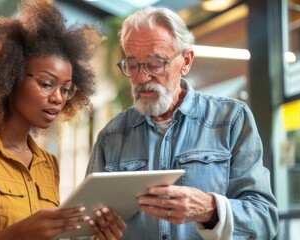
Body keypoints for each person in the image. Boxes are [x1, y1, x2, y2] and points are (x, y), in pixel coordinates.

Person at [0, 1, 125, 239]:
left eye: (66, 89)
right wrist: (16, 235)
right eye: (46, 84)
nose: (58, 98)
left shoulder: (48, 164)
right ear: (12, 77)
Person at [86, 6, 279, 240]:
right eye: (133, 64)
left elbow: (264, 220)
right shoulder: (112, 136)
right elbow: (84, 226)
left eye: (155, 63)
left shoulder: (230, 120)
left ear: (186, 61)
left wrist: (208, 209)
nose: (141, 77)